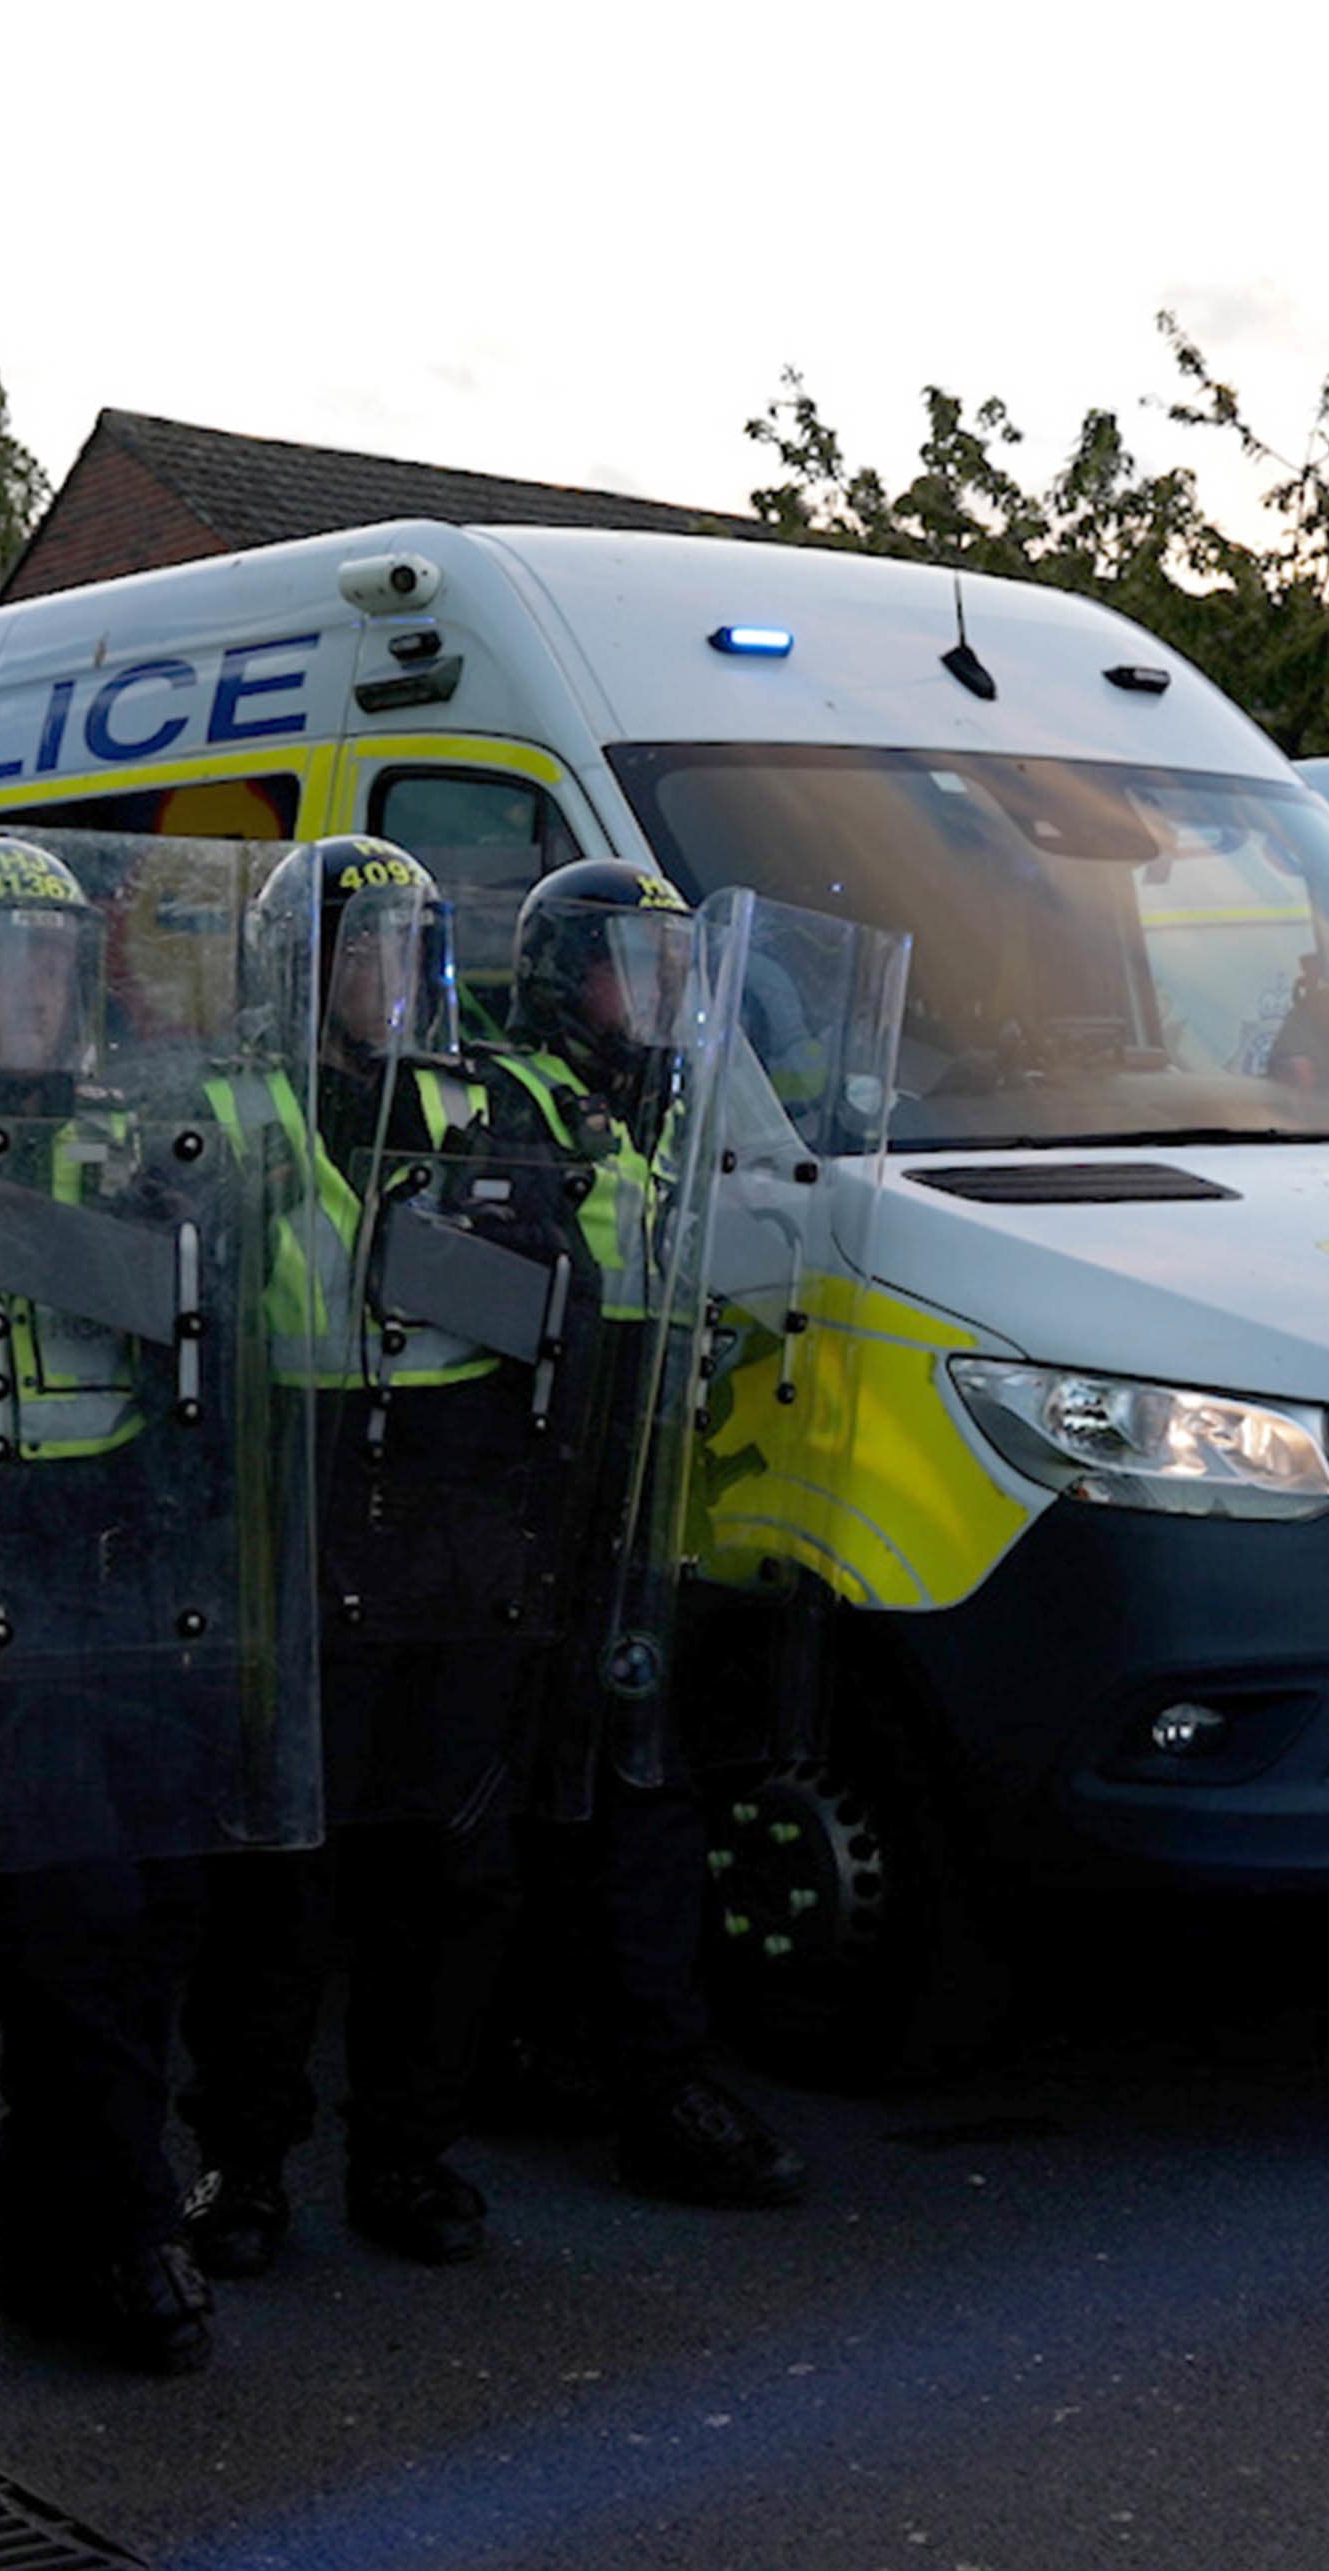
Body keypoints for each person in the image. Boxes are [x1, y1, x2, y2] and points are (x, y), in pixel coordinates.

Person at [0, 832, 271, 2374]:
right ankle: (118, 2231)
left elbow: (210, 1365)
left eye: (51, 960)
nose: (27, 989)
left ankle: (50, 2190)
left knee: (161, 1905)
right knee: (80, 1915)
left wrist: (193, 1233)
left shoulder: (122, 1139)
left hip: (125, 1556)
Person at [179, 834, 570, 2271]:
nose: (384, 975)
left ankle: (408, 2150)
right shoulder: (232, 1107)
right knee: (283, 1876)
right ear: (298, 964)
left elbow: (554, 1286)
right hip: (303, 1509)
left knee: (450, 1870)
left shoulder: (481, 1103)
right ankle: (243, 2157)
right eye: (357, 947)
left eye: (407, 946)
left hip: (459, 1525)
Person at [473, 859, 809, 2210]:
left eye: (678, 968)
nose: (662, 996)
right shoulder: (509, 1112)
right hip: (527, 1516)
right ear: (566, 977)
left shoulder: (654, 1120)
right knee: (567, 1808)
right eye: (634, 965)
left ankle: (603, 2056)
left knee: (629, 1799)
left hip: (634, 1513)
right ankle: (608, 2072)